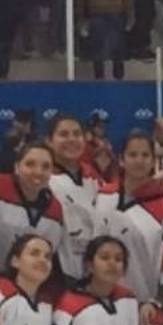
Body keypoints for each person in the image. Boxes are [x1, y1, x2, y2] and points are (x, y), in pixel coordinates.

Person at [93, 132, 163, 301]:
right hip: (102, 299)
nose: (139, 160)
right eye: (133, 155)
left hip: (144, 303)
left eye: (145, 155)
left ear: (153, 161)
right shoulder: (103, 195)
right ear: (121, 160)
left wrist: (159, 301)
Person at [0, 142, 66, 284]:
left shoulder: (56, 210)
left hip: (22, 290)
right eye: (30, 164)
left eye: (45, 167)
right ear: (17, 167)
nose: (38, 172)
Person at [47, 115, 102, 283]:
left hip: (94, 272)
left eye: (77, 134)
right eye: (63, 134)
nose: (71, 139)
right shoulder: (43, 178)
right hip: (58, 275)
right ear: (49, 141)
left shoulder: (93, 177)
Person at [77, 0, 133, 80]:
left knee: (97, 51)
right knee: (118, 50)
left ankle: (99, 81)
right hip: (116, 10)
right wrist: (130, 16)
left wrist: (81, 19)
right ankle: (119, 79)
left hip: (95, 11)